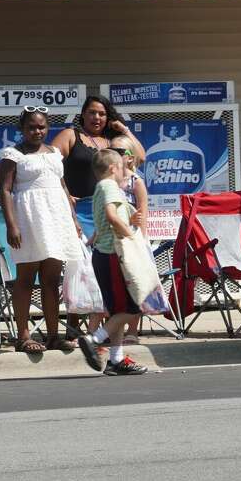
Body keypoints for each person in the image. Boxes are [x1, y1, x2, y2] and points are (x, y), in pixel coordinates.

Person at [0, 108, 82, 354]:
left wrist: (73, 219)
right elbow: (5, 190)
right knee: (25, 278)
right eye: (32, 127)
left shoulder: (55, 153)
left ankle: (54, 335)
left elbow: (63, 187)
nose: (37, 131)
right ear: (22, 129)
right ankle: (23, 336)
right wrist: (12, 224)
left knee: (51, 279)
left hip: (56, 219)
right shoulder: (13, 155)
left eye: (42, 127)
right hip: (29, 218)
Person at [75, 149, 148, 375]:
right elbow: (111, 216)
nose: (125, 173)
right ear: (112, 169)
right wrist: (130, 235)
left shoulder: (101, 188)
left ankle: (116, 359)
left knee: (117, 311)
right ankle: (94, 339)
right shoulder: (109, 186)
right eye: (123, 168)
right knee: (134, 308)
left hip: (104, 255)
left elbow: (107, 220)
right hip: (113, 255)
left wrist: (130, 218)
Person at [52, 95, 147, 238]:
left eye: (102, 114)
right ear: (83, 114)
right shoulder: (70, 135)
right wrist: (62, 192)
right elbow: (49, 164)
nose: (97, 117)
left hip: (110, 208)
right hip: (79, 211)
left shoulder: (113, 142)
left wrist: (124, 130)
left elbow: (140, 157)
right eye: (92, 112)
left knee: (107, 256)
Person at [110, 137, 147, 344]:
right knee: (116, 287)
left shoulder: (135, 181)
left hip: (132, 240)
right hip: (112, 241)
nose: (115, 154)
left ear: (130, 158)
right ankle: (113, 331)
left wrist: (140, 241)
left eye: (120, 151)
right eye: (112, 150)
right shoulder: (107, 181)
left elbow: (142, 213)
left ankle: (132, 331)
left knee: (133, 285)